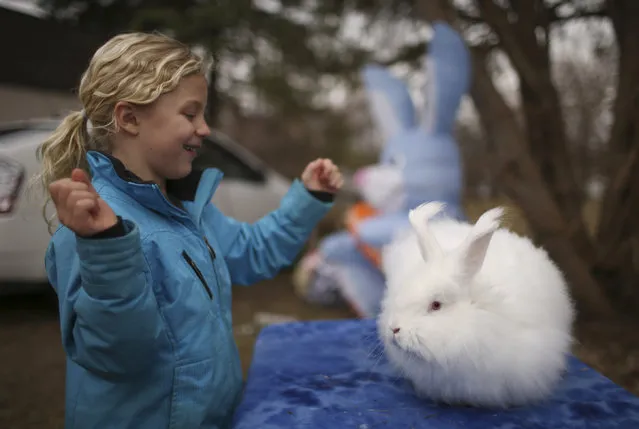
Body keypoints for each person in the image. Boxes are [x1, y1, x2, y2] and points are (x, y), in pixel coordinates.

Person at [36, 31, 343, 429]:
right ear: (129, 119)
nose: (205, 129)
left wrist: (308, 199)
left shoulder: (187, 208)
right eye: (190, 114)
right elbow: (118, 354)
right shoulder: (93, 230)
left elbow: (252, 251)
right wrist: (107, 248)